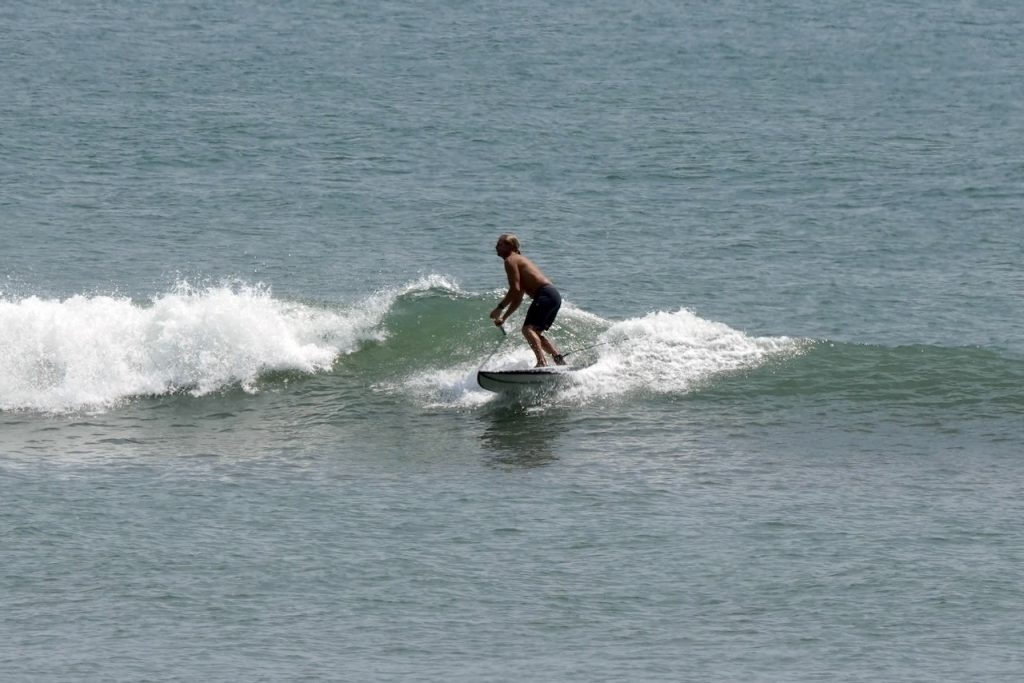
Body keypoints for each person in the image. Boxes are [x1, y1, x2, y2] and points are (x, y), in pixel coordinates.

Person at [489, 233, 566, 367]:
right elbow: (518, 296)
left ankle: (541, 362)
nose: (496, 247)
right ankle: (558, 359)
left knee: (527, 330)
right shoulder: (518, 260)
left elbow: (514, 289)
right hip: (553, 296)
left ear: (510, 246)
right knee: (534, 333)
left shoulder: (510, 260)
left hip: (545, 294)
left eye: (499, 244)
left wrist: (499, 308)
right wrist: (504, 317)